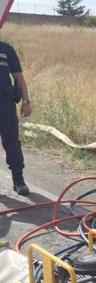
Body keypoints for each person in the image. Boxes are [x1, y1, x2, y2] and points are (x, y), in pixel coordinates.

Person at [0, 40, 31, 195]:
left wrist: (26, 101)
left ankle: (18, 181)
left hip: (5, 104)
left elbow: (19, 78)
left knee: (12, 142)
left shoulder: (6, 49)